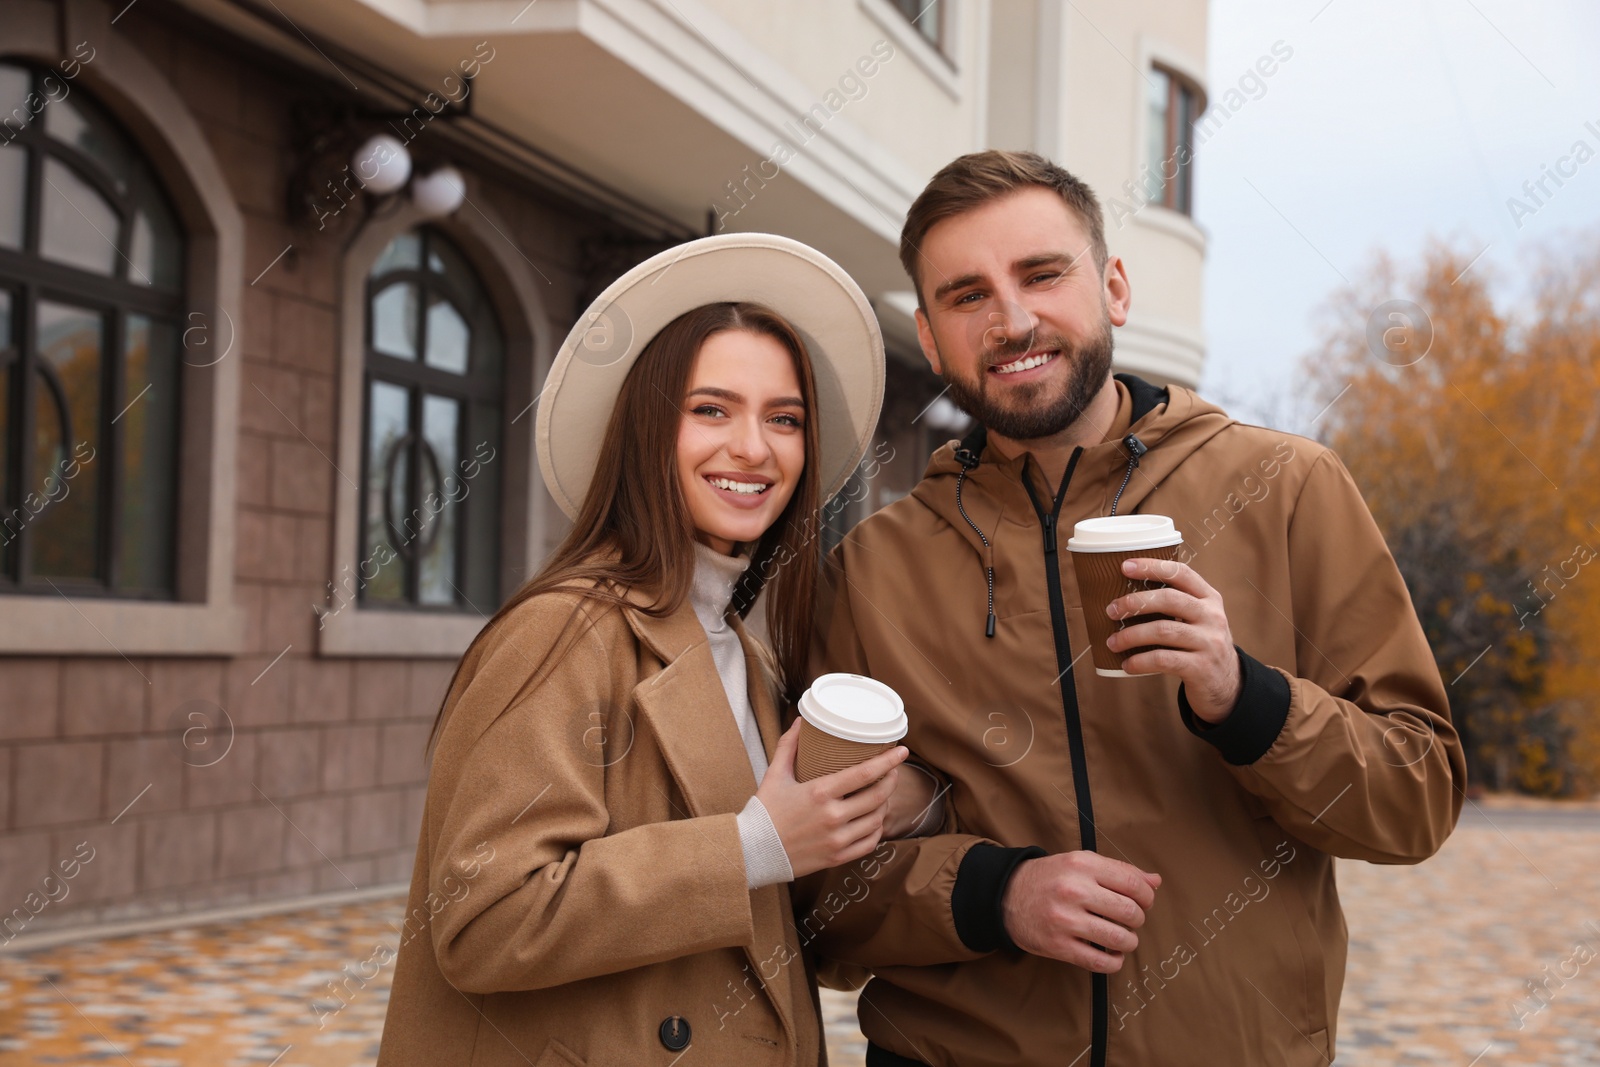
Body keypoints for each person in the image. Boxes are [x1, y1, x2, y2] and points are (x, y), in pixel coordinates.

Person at [800, 151, 1467, 1067]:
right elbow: (822, 900)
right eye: (968, 296)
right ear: (928, 331)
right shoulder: (872, 569)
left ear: (1113, 286)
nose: (1014, 319)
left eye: (1043, 274)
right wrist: (994, 894)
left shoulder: (1288, 488)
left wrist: (1247, 700)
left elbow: (1416, 800)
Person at [377, 234, 937, 1067]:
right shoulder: (566, 629)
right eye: (710, 409)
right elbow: (483, 917)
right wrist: (755, 844)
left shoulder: (749, 653)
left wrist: (884, 812)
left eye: (784, 418)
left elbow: (769, 922)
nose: (754, 447)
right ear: (647, 430)